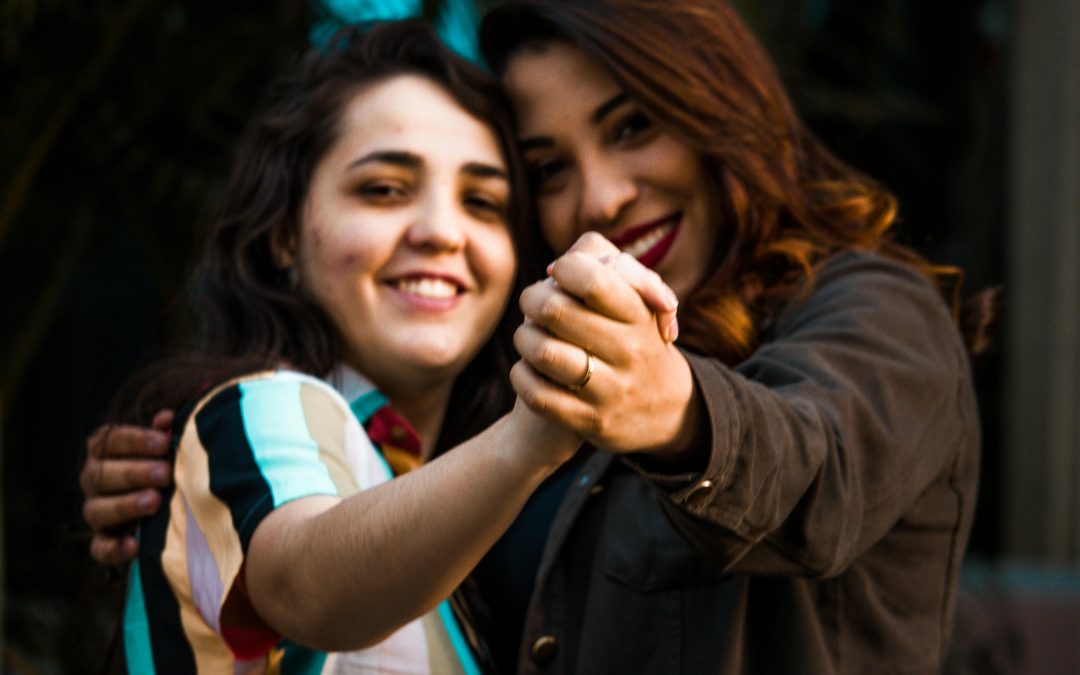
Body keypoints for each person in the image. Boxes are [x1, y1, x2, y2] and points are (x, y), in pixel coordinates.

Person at [84, 1, 991, 673]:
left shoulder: (874, 309)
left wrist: (672, 410)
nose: (599, 198)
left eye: (633, 127)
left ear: (717, 109)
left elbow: (816, 461)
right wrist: (192, 480)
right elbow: (313, 560)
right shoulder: (489, 422)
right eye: (550, 169)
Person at [97, 18, 675, 673]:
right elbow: (306, 582)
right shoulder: (261, 406)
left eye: (482, 202)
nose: (440, 232)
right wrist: (535, 430)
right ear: (284, 232)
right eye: (383, 189)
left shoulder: (457, 504)